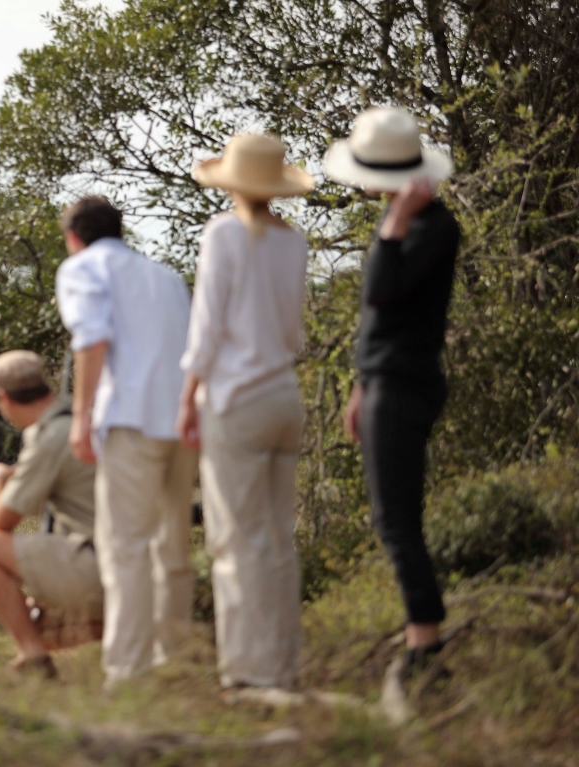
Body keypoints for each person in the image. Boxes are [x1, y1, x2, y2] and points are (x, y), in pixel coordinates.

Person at [176, 134, 315, 690]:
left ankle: (246, 674)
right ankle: (282, 666)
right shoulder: (295, 242)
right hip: (284, 396)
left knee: (236, 542)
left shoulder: (225, 232)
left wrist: (187, 397)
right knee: (278, 540)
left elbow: (206, 327)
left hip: (236, 399)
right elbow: (291, 334)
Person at [324, 107, 458, 669]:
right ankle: (421, 637)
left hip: (404, 384)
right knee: (393, 516)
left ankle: (425, 645)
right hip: (385, 381)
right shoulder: (407, 223)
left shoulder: (431, 226)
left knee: (395, 518)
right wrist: (360, 386)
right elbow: (381, 322)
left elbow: (380, 291)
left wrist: (396, 220)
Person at [55, 196, 197, 687]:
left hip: (130, 423)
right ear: (121, 231)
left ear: (74, 237)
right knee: (173, 546)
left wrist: (81, 417)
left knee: (125, 548)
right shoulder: (165, 276)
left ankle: (128, 670)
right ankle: (173, 657)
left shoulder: (81, 268)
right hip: (183, 421)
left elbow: (91, 341)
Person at [0, 350, 100, 679]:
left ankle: (32, 655)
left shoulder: (49, 437)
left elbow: (1, 520)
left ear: (3, 397)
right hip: (135, 565)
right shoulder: (80, 419)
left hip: (98, 565)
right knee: (32, 619)